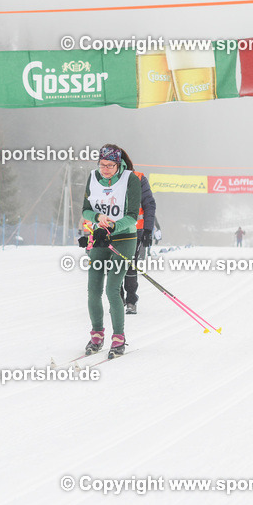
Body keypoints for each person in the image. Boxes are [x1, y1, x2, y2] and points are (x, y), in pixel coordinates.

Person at [79, 144, 141, 358]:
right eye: (102, 165)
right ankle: (97, 334)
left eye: (110, 166)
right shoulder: (93, 177)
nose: (105, 170)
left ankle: (119, 337)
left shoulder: (131, 179)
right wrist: (97, 219)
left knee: (112, 289)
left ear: (119, 164)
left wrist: (113, 226)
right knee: (93, 290)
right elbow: (85, 210)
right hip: (99, 239)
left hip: (124, 238)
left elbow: (133, 215)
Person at [114, 146, 156, 315]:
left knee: (130, 267)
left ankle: (131, 300)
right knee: (114, 267)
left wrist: (148, 230)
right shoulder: (106, 180)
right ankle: (118, 298)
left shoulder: (138, 178)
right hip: (113, 231)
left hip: (135, 231)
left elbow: (149, 205)